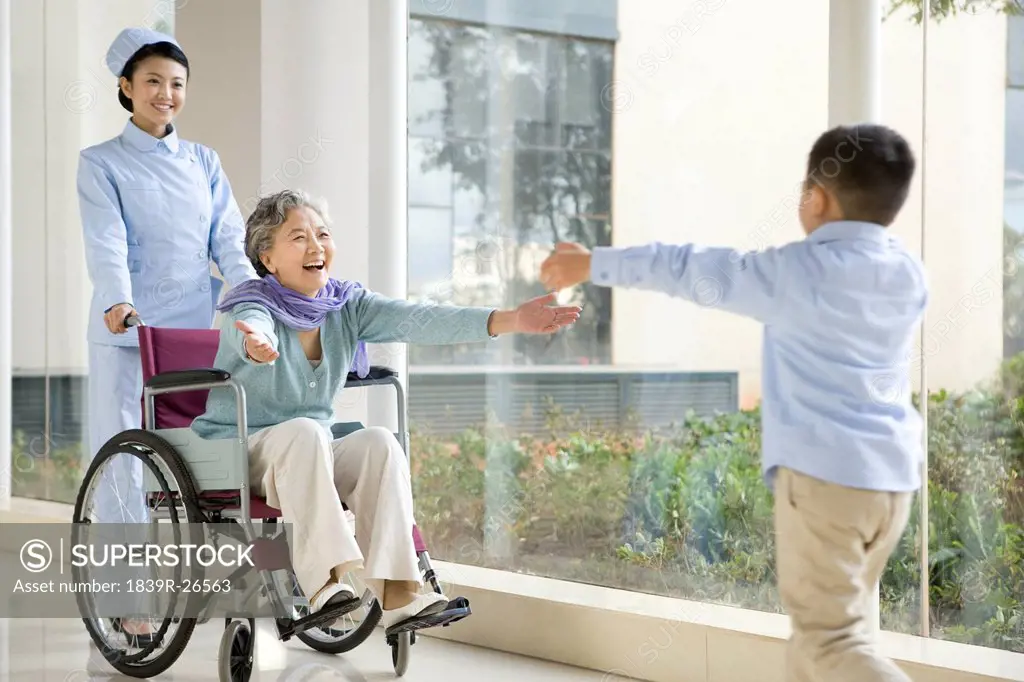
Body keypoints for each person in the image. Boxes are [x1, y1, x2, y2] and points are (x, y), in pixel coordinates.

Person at [539, 124, 926, 682]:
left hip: (826, 483)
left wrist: (591, 264)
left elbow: (691, 268)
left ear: (815, 199)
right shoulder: (908, 274)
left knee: (829, 645)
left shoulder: (797, 274)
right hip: (891, 482)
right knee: (826, 645)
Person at [191, 188, 582, 628]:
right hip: (239, 448)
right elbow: (252, 326)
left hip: (308, 448)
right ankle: (323, 585)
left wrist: (509, 319)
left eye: (322, 234)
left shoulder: (346, 306)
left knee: (377, 442)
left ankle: (398, 597)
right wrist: (254, 343)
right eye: (299, 237)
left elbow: (420, 317)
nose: (316, 246)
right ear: (268, 257)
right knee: (304, 432)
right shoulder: (250, 304)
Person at [77, 27, 257, 528]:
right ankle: (126, 593)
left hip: (191, 331)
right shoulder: (100, 162)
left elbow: (228, 238)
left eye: (177, 84)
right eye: (153, 81)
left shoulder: (203, 161)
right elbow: (106, 240)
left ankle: (213, 572)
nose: (166, 95)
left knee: (196, 454)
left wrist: (248, 301)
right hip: (127, 330)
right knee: (122, 459)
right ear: (126, 86)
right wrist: (117, 300)